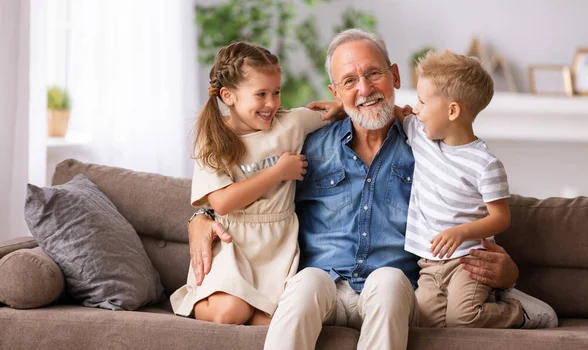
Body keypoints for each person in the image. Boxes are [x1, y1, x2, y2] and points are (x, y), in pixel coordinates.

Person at [188, 29, 553, 349]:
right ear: (335, 92)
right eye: (349, 81)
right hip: (324, 286)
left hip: (393, 290)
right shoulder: (308, 144)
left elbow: (469, 206)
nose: (364, 89)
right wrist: (203, 217)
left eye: (373, 74)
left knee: (389, 281)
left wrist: (505, 276)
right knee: (304, 285)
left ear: (394, 75)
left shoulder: (427, 146)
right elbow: (254, 185)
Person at [169, 42, 333, 326]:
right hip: (234, 243)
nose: (271, 103)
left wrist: (338, 105)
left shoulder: (291, 124)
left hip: (277, 244)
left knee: (272, 324)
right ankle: (196, 299)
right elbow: (221, 202)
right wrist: (277, 172)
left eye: (276, 92)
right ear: (228, 96)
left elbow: (347, 113)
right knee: (230, 313)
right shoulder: (213, 137)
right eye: (261, 94)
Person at [397, 49, 557, 329]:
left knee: (463, 319)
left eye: (422, 102)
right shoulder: (419, 136)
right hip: (429, 264)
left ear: (452, 111)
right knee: (423, 324)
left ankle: (521, 312)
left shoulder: (485, 164)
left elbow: (500, 218)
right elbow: (389, 112)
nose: (416, 109)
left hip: (469, 263)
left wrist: (460, 232)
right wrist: (339, 107)